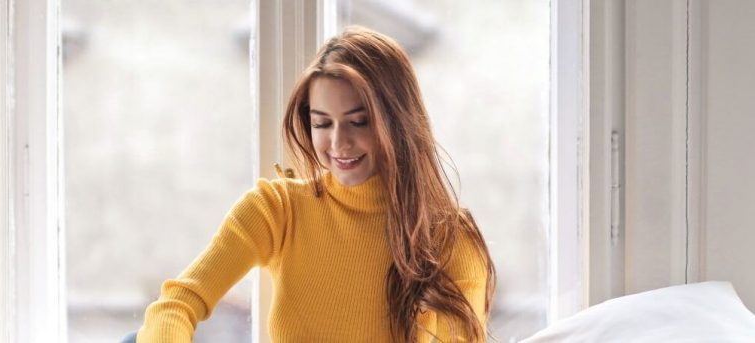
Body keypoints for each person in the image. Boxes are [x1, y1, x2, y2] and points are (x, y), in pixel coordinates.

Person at [133, 26, 496, 343]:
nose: (338, 143)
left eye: (358, 122)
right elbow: (177, 304)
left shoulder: (450, 238)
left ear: (397, 123)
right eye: (322, 123)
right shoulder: (277, 209)